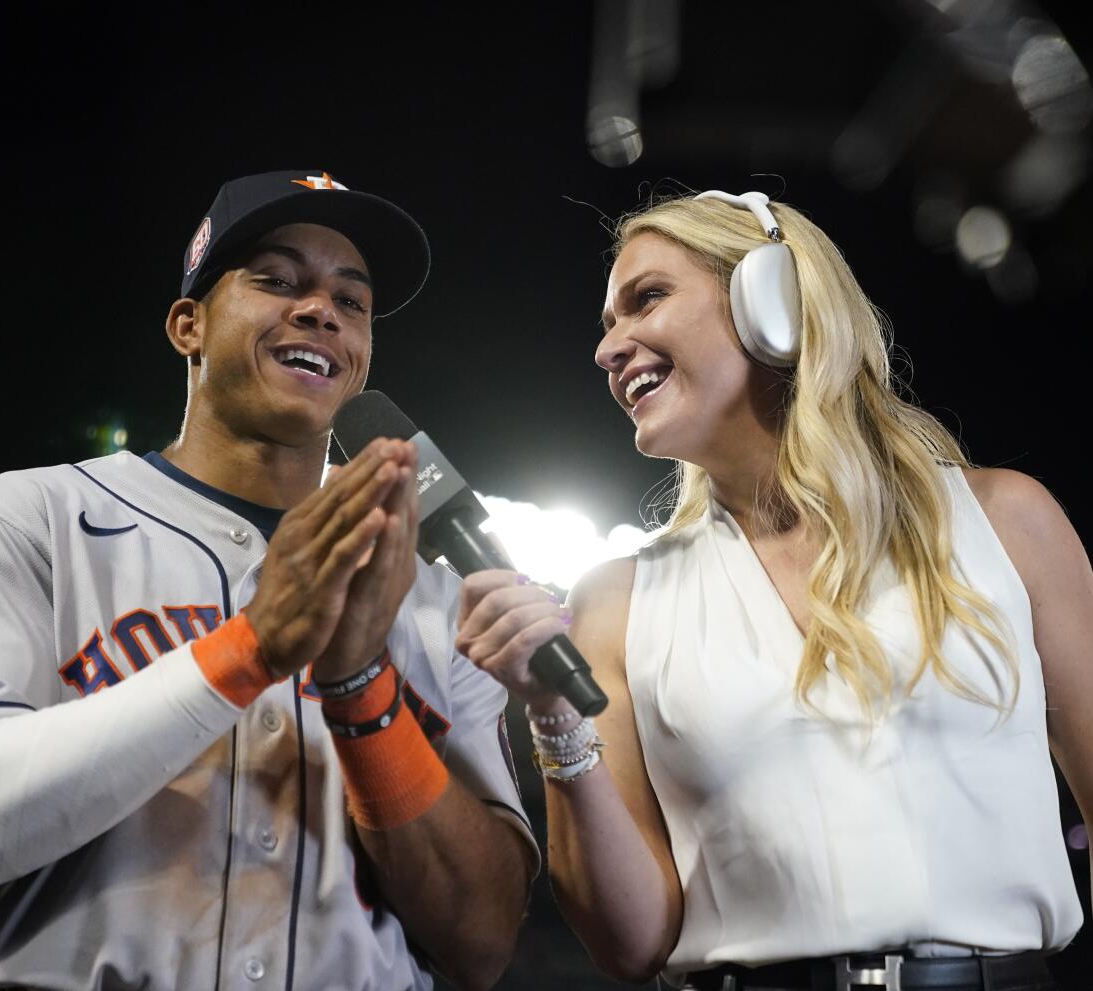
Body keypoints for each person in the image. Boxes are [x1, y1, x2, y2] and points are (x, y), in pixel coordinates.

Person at [0, 170, 538, 991]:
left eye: (351, 302)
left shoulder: (437, 599)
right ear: (189, 323)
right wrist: (248, 649)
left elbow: (483, 941)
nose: (321, 309)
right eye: (277, 280)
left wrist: (363, 686)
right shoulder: (31, 516)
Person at [454, 189, 1090, 991]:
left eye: (645, 299)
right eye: (607, 324)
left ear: (773, 299)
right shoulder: (616, 602)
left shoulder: (1007, 521)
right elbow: (631, 943)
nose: (609, 349)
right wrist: (551, 715)